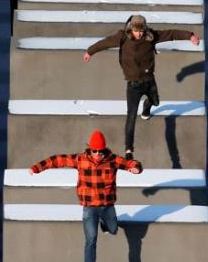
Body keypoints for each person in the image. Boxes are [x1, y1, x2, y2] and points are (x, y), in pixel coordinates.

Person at [29, 130, 143, 262]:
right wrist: (37, 168)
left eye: (101, 151)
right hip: (89, 208)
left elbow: (132, 163)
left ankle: (105, 223)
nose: (97, 154)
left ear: (105, 150)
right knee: (91, 240)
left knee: (114, 229)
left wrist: (136, 168)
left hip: (107, 206)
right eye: (94, 151)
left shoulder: (113, 160)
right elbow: (57, 160)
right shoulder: (80, 159)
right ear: (89, 149)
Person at [83, 14, 200, 160]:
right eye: (136, 31)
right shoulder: (122, 37)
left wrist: (190, 36)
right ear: (131, 29)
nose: (139, 34)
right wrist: (90, 51)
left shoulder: (150, 36)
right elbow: (105, 43)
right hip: (132, 85)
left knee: (155, 101)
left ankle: (147, 107)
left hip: (149, 79)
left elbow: (171, 34)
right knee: (131, 116)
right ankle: (128, 150)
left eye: (141, 31)